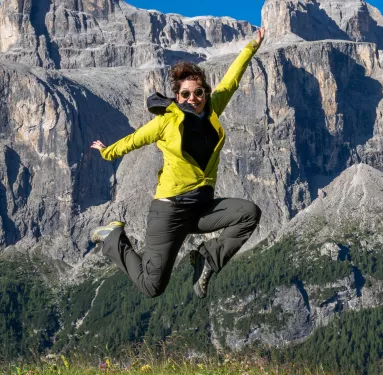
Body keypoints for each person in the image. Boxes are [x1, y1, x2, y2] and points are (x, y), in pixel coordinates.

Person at [90, 28, 266, 299]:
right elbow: (133, 140)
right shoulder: (166, 122)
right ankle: (113, 238)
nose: (192, 99)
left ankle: (207, 258)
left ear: (205, 94)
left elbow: (231, 80)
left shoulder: (213, 110)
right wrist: (106, 152)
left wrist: (251, 47)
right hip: (169, 212)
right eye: (186, 94)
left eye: (198, 93)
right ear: (178, 96)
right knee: (152, 287)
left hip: (202, 208)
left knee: (248, 213)